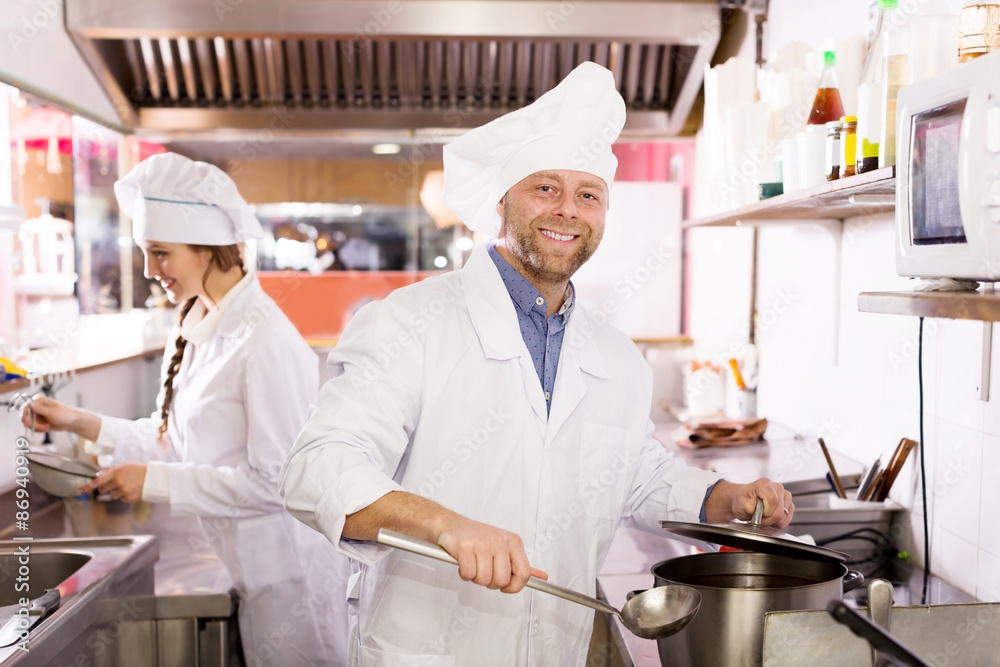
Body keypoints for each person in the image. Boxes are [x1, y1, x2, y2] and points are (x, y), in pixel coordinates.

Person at [280, 62, 795, 666]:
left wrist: (723, 496)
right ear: (503, 201)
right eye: (545, 187)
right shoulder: (409, 323)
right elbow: (318, 468)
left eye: (588, 194)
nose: (568, 210)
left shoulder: (617, 359)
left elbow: (635, 475)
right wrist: (445, 525)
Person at [22, 153, 350, 667]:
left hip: (292, 586)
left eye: (160, 254)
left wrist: (152, 481)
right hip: (250, 571)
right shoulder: (203, 324)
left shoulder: (266, 344)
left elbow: (279, 485)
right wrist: (81, 422)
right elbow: (175, 442)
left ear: (208, 249)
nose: (150, 272)